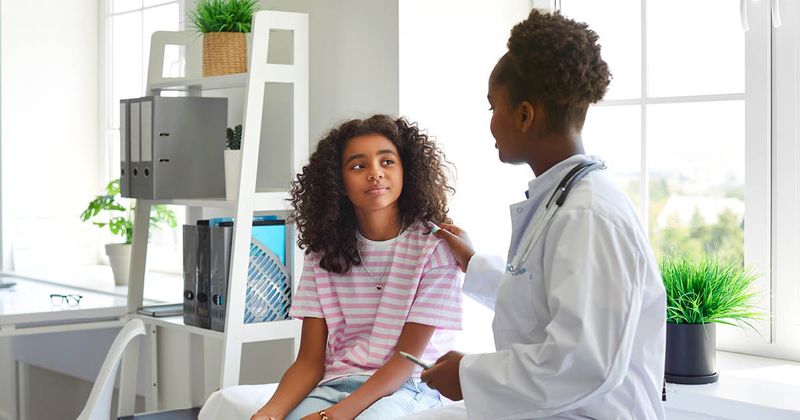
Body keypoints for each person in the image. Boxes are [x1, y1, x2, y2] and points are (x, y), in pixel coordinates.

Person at [418, 9, 667, 419]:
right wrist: (473, 263)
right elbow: (540, 297)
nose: (491, 124)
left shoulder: (588, 216)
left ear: (524, 115)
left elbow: (583, 363)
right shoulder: (564, 201)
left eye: (492, 108)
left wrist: (469, 375)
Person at [250, 115, 463, 420]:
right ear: (338, 183)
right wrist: (267, 414)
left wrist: (332, 417)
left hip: (409, 386)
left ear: (407, 171)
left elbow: (407, 361)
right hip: (336, 384)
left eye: (387, 162)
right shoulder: (323, 253)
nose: (375, 173)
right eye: (359, 166)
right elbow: (309, 361)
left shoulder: (435, 248)